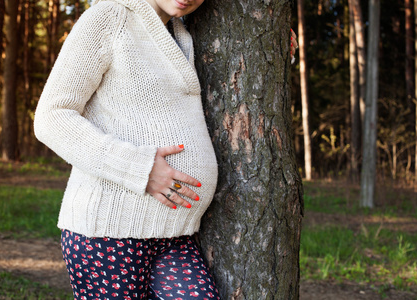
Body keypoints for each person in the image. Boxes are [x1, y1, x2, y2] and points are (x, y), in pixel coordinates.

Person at [34, 0, 297, 299]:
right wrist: (140, 169)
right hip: (110, 232)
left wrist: (271, 47)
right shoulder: (109, 17)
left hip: (175, 235)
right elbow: (51, 118)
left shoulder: (179, 30)